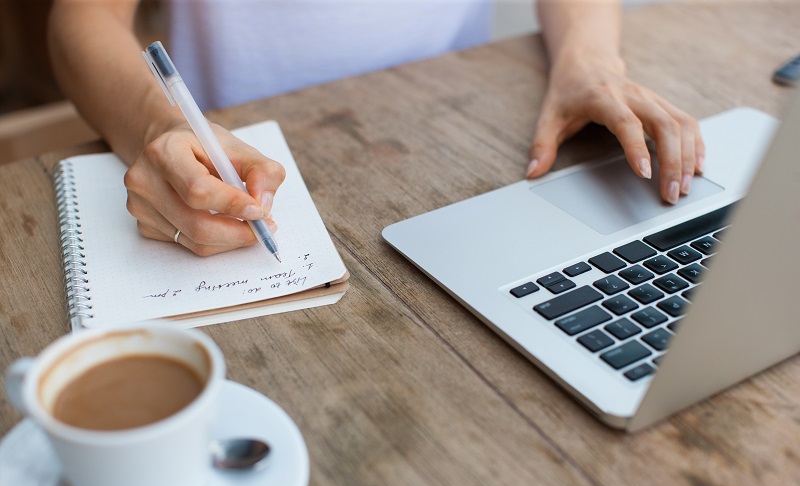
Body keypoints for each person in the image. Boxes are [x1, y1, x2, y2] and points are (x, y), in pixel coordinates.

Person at [48, 0, 704, 257]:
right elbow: (79, 21)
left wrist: (588, 59)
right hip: (242, 151)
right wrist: (156, 122)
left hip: (473, 143)